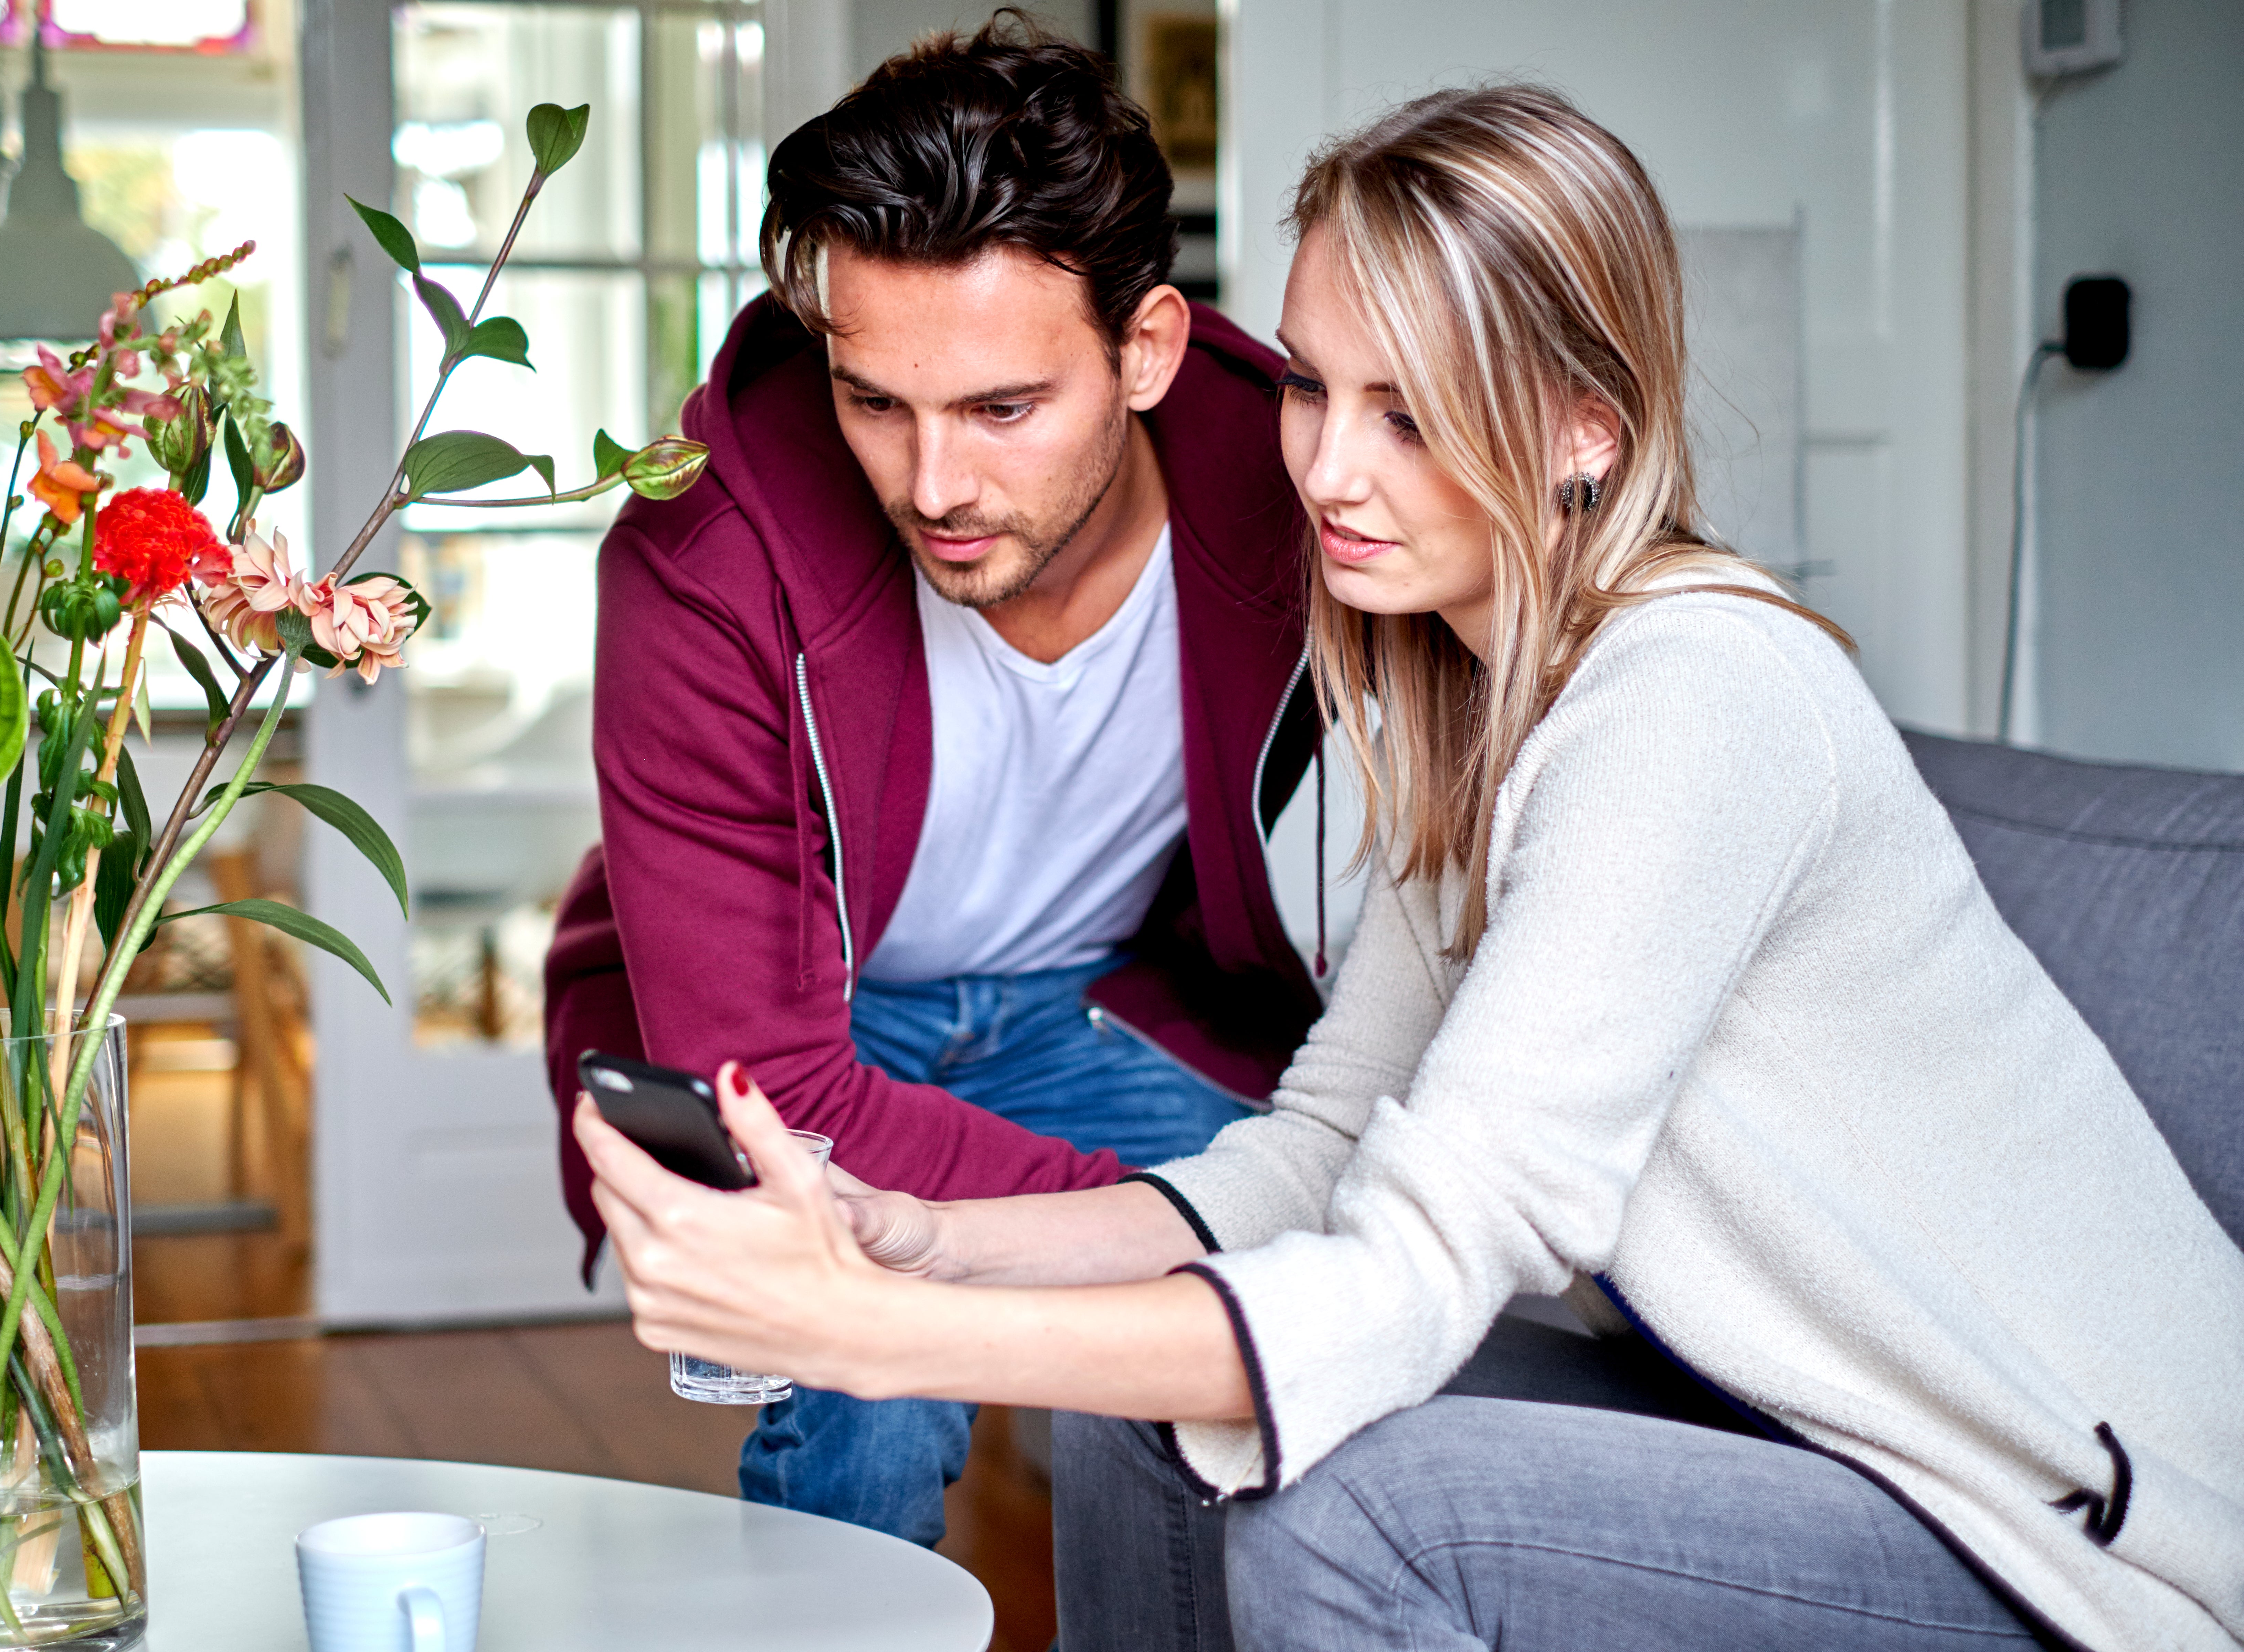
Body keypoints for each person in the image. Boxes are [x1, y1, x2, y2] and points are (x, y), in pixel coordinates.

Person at [570, 84, 2244, 1652]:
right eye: (1309, 387)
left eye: (1412, 416)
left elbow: (1420, 1264)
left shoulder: (1699, 700)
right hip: (1777, 1407)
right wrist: (917, 1241)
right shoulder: (1471, 695)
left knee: (1364, 1512)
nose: (1325, 472)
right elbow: (1323, 1152)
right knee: (1159, 1422)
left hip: (2053, 1513)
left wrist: (874, 1333)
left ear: (1585, 432)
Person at [541, 16, 1327, 1546]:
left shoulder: (1307, 487)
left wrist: (1200, 1234)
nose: (934, 486)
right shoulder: (701, 564)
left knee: (1305, 1331)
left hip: (1112, 1003)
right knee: (867, 1389)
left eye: (1003, 410)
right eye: (873, 402)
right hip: (803, 1041)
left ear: (1147, 351)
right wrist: (1168, 1227)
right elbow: (778, 1088)